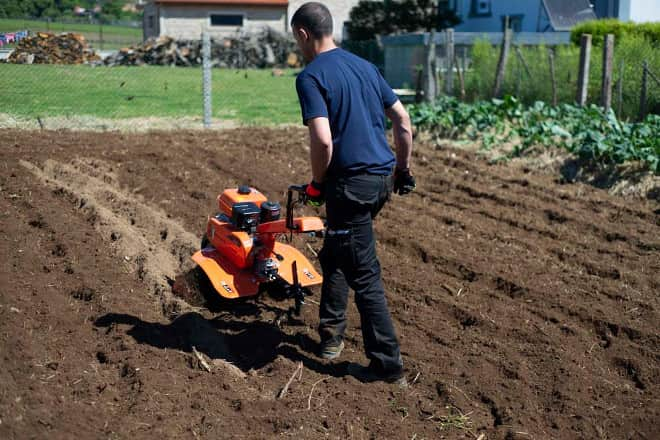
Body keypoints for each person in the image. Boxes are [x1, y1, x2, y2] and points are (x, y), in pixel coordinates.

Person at [291, 2, 416, 386]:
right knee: (337, 250)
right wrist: (402, 169)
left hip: (350, 187)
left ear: (303, 35)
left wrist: (316, 184)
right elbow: (403, 122)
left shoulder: (311, 77)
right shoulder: (365, 66)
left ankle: (387, 365)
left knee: (365, 273)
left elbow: (323, 141)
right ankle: (330, 335)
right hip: (380, 180)